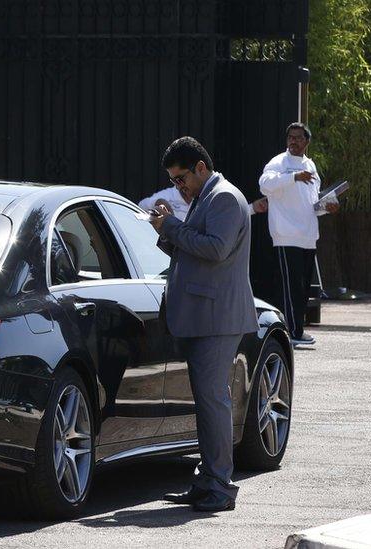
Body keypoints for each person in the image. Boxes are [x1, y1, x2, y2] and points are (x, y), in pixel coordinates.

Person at [149, 136, 257, 513]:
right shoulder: (206, 197)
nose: (180, 186)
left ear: (200, 168)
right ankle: (207, 479)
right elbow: (194, 248)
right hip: (205, 316)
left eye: (182, 179)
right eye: (174, 181)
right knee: (208, 401)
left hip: (216, 318)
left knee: (213, 402)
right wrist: (167, 228)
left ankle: (220, 486)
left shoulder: (224, 196)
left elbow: (215, 248)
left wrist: (173, 227)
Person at [258, 122, 339, 347]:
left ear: (307, 142)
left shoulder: (310, 165)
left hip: (307, 235)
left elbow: (312, 204)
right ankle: (292, 332)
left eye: (298, 138)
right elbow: (264, 185)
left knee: (303, 288)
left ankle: (297, 329)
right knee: (290, 286)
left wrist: (327, 207)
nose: (293, 141)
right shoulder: (278, 162)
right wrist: (293, 177)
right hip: (285, 233)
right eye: (290, 137)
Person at [141, 184, 268, 222]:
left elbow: (225, 215)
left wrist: (253, 208)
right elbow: (141, 206)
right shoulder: (168, 195)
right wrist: (159, 203)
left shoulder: (205, 196)